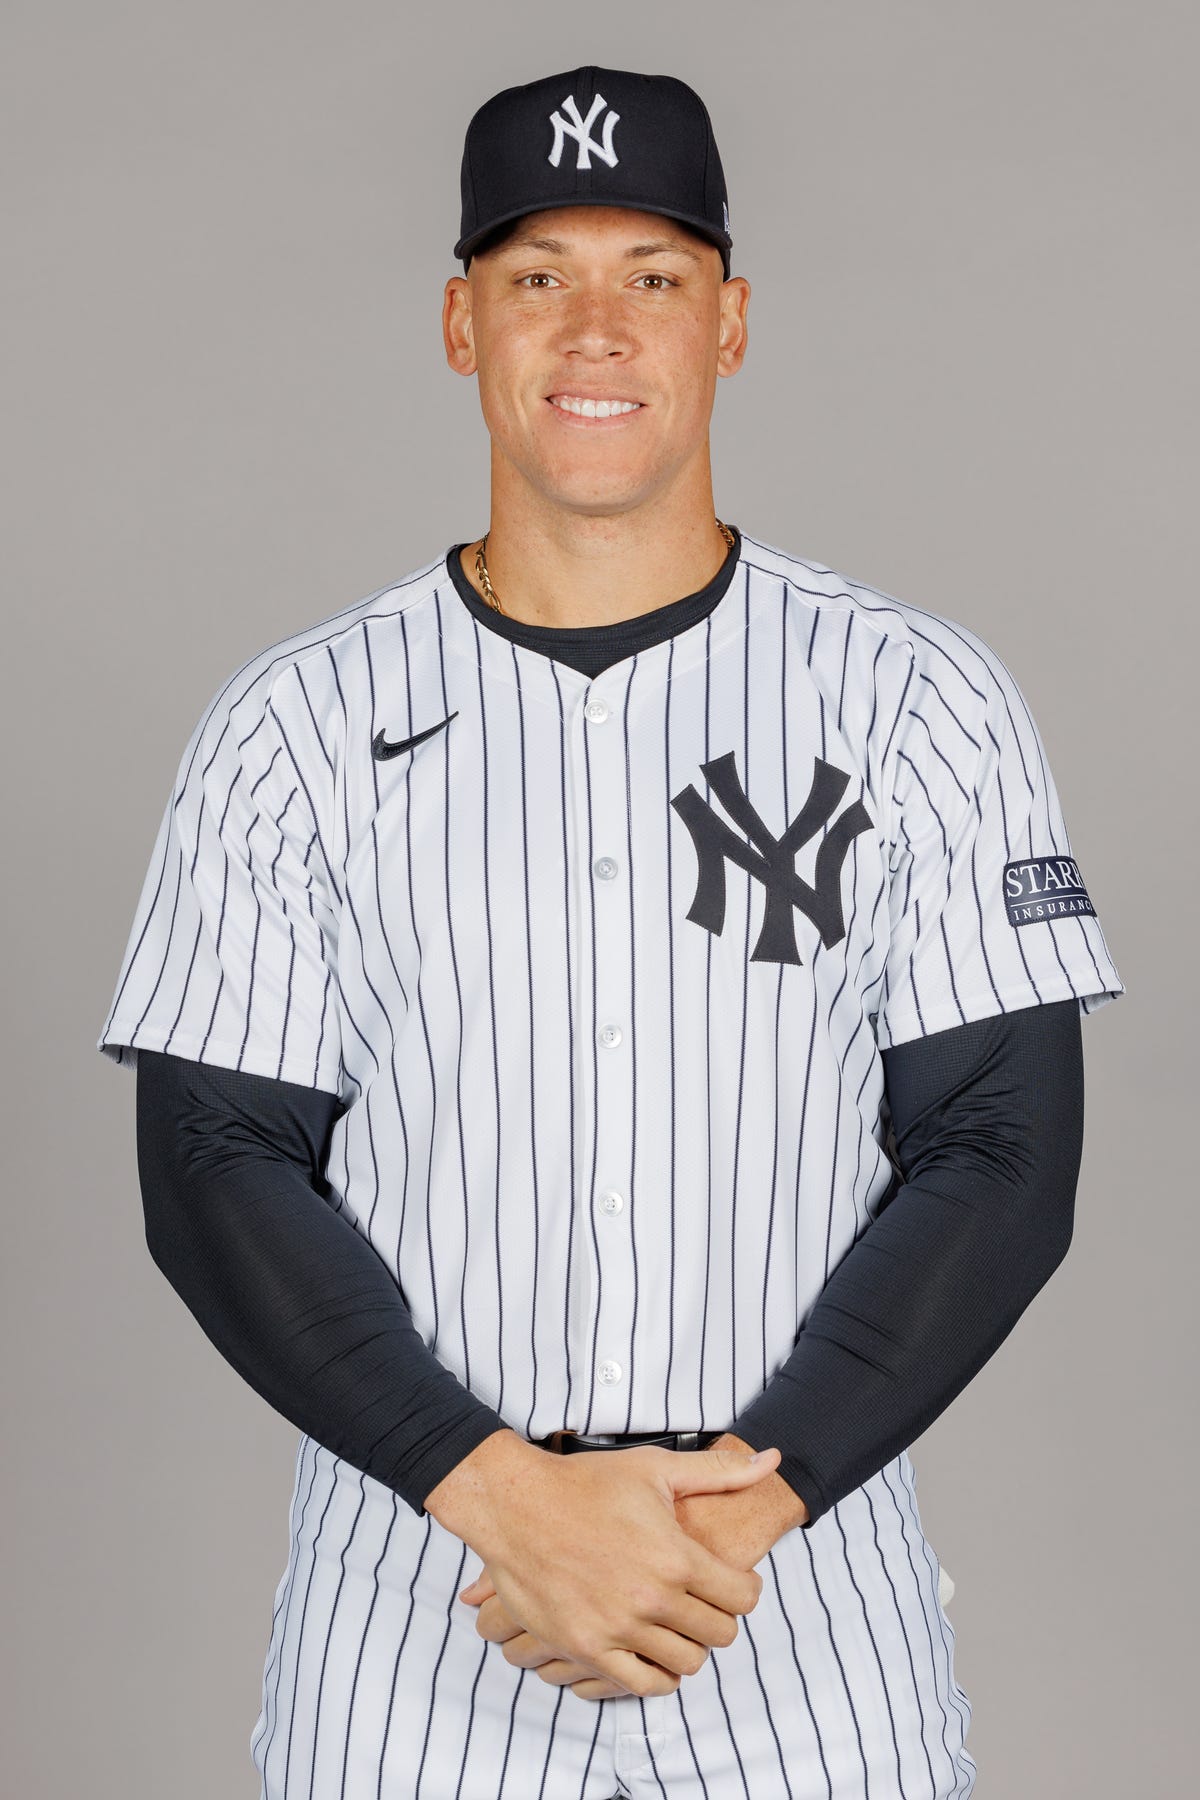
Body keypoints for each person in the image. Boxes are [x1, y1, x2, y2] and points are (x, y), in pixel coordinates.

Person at [98, 63, 1125, 1800]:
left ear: (730, 322)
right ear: (458, 323)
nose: (595, 329)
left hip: (797, 1611)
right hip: (418, 1609)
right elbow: (216, 1159)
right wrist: (502, 1494)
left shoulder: (913, 697)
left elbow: (1003, 1142)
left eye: (651, 275)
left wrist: (741, 1505)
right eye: (536, 276)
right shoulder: (294, 725)